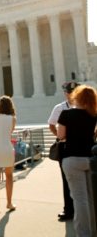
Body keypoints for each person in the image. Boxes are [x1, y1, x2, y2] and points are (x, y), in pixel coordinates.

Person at [57, 85, 97, 237]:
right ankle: (93, 230)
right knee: (91, 197)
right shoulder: (93, 115)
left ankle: (83, 234)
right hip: (90, 158)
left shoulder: (66, 114)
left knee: (79, 199)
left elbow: (60, 135)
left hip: (72, 158)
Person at [48, 81, 79, 221]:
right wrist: (60, 138)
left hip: (81, 146)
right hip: (65, 147)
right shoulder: (60, 108)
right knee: (66, 180)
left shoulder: (84, 107)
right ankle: (69, 209)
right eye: (69, 92)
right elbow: (51, 124)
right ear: (65, 93)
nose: (70, 94)